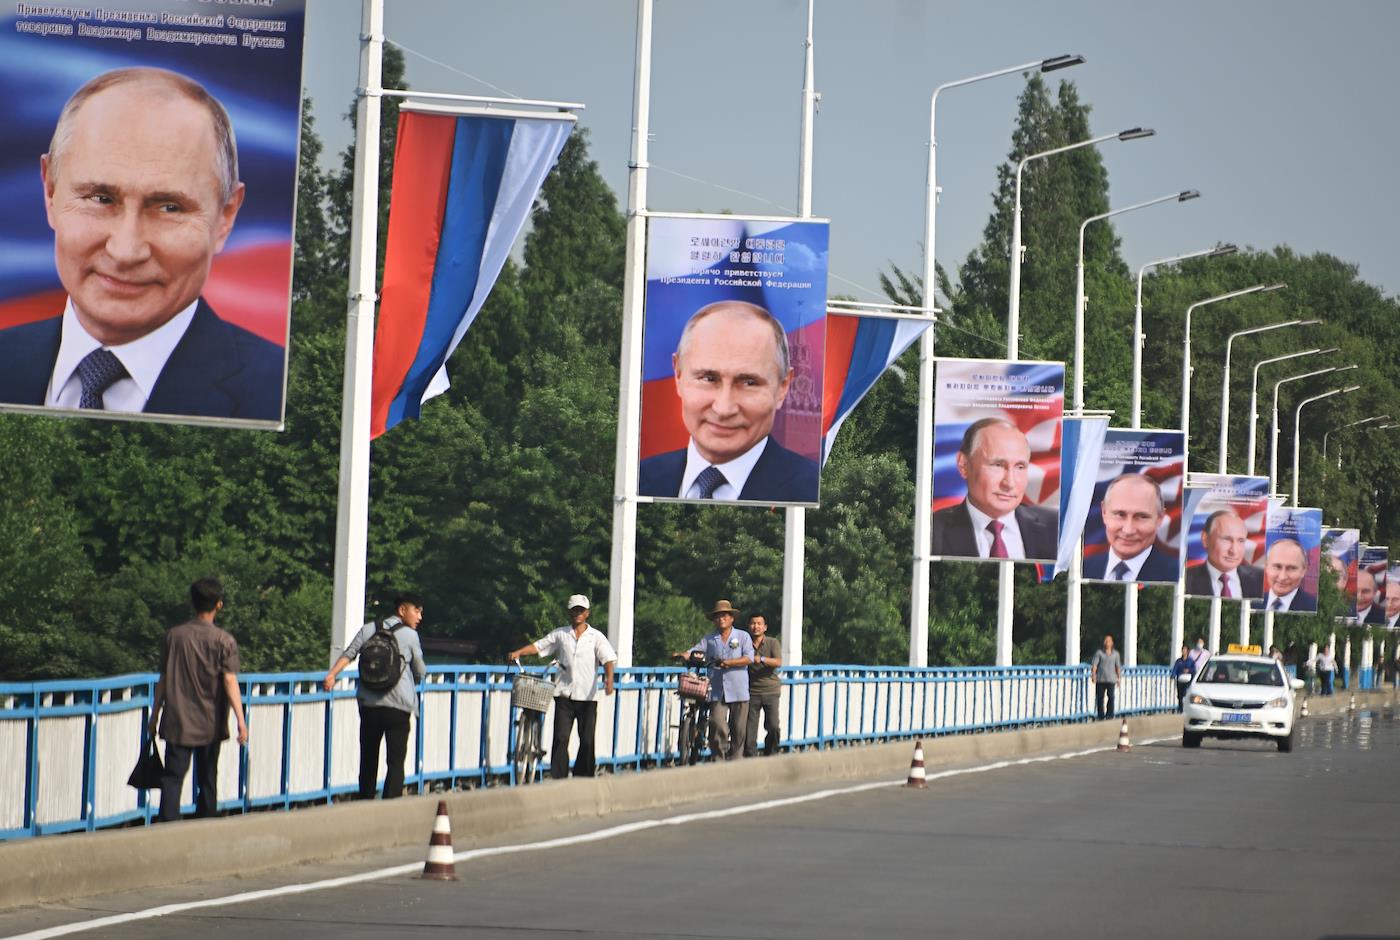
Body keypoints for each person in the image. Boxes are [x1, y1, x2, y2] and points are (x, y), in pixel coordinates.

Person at [0, 67, 282, 421]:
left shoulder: (282, 397)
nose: (126, 250)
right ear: (50, 192)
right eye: (101, 198)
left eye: (169, 207)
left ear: (225, 217)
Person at [639, 301, 818, 503]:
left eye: (749, 383)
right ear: (678, 375)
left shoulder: (810, 489)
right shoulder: (636, 479)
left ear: (783, 387)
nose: (724, 409)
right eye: (708, 378)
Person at [148, 577, 248, 821]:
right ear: (219, 605)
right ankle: (206, 827)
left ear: (192, 603)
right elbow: (229, 681)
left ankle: (167, 827)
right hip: (210, 721)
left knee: (172, 778)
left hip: (177, 720)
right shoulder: (224, 641)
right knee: (207, 778)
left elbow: (163, 679)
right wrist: (240, 720)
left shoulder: (173, 637)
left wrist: (155, 714)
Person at [323, 593, 427, 799]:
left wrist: (332, 675)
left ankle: (365, 801)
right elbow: (421, 670)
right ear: (402, 610)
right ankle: (390, 804)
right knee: (396, 761)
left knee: (369, 757)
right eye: (417, 611)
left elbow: (349, 653)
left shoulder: (369, 629)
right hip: (398, 707)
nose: (419, 617)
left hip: (369, 705)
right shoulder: (410, 636)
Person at [507, 593, 617, 779]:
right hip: (564, 693)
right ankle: (559, 775)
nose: (577, 614)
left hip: (587, 696)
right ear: (569, 612)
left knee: (587, 739)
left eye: (581, 610)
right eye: (574, 610)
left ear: (587, 613)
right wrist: (519, 652)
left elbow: (607, 659)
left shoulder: (595, 637)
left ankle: (584, 775)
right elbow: (540, 646)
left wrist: (609, 679)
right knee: (561, 737)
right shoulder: (561, 634)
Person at [931, 417, 1057, 560]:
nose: (1009, 483)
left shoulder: (1056, 526)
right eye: (997, 465)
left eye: (1020, 467)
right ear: (964, 465)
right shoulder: (931, 531)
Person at [675, 600, 754, 760]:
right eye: (717, 617)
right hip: (718, 689)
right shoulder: (710, 639)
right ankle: (718, 758)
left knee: (738, 729)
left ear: (732, 618)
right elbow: (695, 651)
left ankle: (736, 758)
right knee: (717, 723)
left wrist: (730, 663)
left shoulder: (742, 636)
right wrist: (683, 654)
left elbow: (749, 658)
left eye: (724, 616)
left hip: (738, 689)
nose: (721, 619)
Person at [1083, 473, 1179, 582]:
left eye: (1142, 517)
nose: (1128, 530)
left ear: (1159, 518)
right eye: (1120, 514)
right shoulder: (1083, 569)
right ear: (1104, 512)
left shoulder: (1176, 574)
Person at [1184, 510, 1264, 599]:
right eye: (1226, 539)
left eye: (1241, 541)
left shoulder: (1263, 579)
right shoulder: (1185, 580)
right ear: (1205, 539)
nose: (1233, 550)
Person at [743, 612, 782, 757]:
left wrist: (762, 659)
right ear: (749, 626)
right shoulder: (744, 643)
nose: (756, 627)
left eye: (759, 624)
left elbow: (778, 662)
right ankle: (751, 757)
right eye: (753, 623)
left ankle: (771, 753)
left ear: (765, 627)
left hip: (771, 691)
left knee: (773, 726)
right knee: (749, 728)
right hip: (751, 691)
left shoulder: (772, 642)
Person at [1255, 538, 1316, 612]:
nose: (1282, 577)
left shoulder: (1312, 606)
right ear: (1266, 566)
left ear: (1304, 570)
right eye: (1277, 567)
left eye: (1291, 568)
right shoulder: (1252, 603)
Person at [1089, 635, 1123, 720]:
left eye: (1108, 641)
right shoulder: (1099, 653)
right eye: (1105, 641)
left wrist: (1119, 678)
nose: (1106, 643)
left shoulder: (1116, 654)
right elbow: (1094, 665)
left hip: (1111, 679)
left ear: (1112, 643)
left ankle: (1110, 714)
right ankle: (1101, 715)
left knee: (1111, 697)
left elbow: (1118, 667)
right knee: (1100, 697)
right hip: (1101, 679)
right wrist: (1093, 675)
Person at [1170, 643, 1195, 712]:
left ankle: (1185, 708)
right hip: (1180, 680)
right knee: (1180, 695)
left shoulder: (1191, 661)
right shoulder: (1179, 661)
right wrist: (1172, 676)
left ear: (1187, 651)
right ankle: (1180, 708)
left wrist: (1188, 670)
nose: (1183, 651)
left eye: (1185, 650)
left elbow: (1194, 670)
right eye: (1182, 650)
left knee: (1185, 694)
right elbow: (1175, 669)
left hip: (1188, 681)